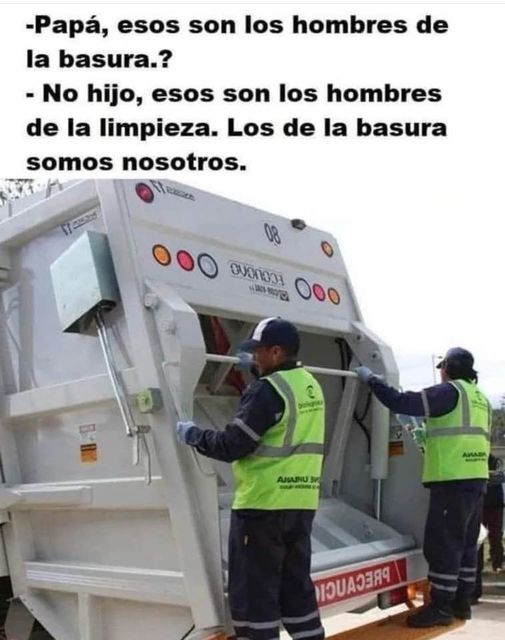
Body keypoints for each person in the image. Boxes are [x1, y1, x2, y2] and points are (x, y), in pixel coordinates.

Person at [176, 317, 325, 640]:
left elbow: (232, 445)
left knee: (255, 595)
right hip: (301, 503)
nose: (254, 356)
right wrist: (255, 373)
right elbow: (281, 417)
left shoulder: (266, 391)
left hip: (262, 507)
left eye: (258, 351)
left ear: (276, 351)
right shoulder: (310, 384)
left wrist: (193, 435)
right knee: (296, 587)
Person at [355, 347, 492, 628]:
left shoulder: (449, 392)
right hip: (476, 480)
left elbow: (403, 402)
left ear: (448, 368)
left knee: (444, 546)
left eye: (443, 368)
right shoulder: (480, 398)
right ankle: (461, 604)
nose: (441, 373)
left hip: (452, 482)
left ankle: (440, 608)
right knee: (466, 547)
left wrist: (372, 380)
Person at [473, 454, 505, 602]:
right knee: (482, 541)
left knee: (491, 538)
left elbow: (499, 477)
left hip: (489, 503)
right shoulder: (489, 460)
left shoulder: (492, 460)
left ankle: (497, 562)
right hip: (487, 504)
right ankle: (496, 563)